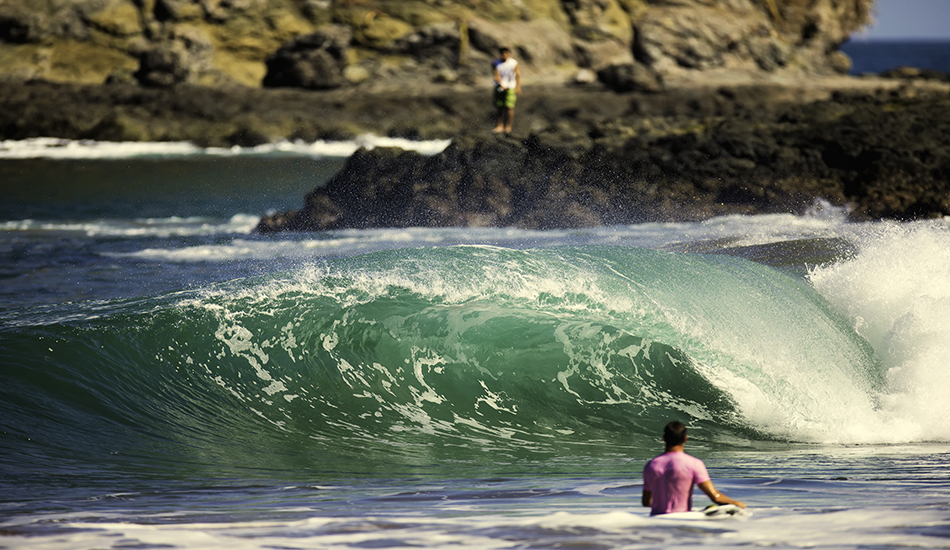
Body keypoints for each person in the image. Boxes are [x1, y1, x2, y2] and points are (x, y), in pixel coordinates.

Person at [642, 421, 747, 516]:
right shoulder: (693, 463)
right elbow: (715, 497)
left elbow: (646, 502)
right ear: (685, 439)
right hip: (682, 519)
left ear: (664, 439)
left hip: (656, 520)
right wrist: (735, 503)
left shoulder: (651, 465)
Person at [491, 47, 522, 134]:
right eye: (502, 54)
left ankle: (508, 127)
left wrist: (518, 86)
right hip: (499, 87)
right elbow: (496, 75)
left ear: (509, 54)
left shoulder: (513, 63)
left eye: (506, 53)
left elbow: (518, 74)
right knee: (499, 106)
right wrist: (501, 85)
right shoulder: (496, 63)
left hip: (511, 86)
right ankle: (499, 126)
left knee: (509, 107)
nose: (504, 55)